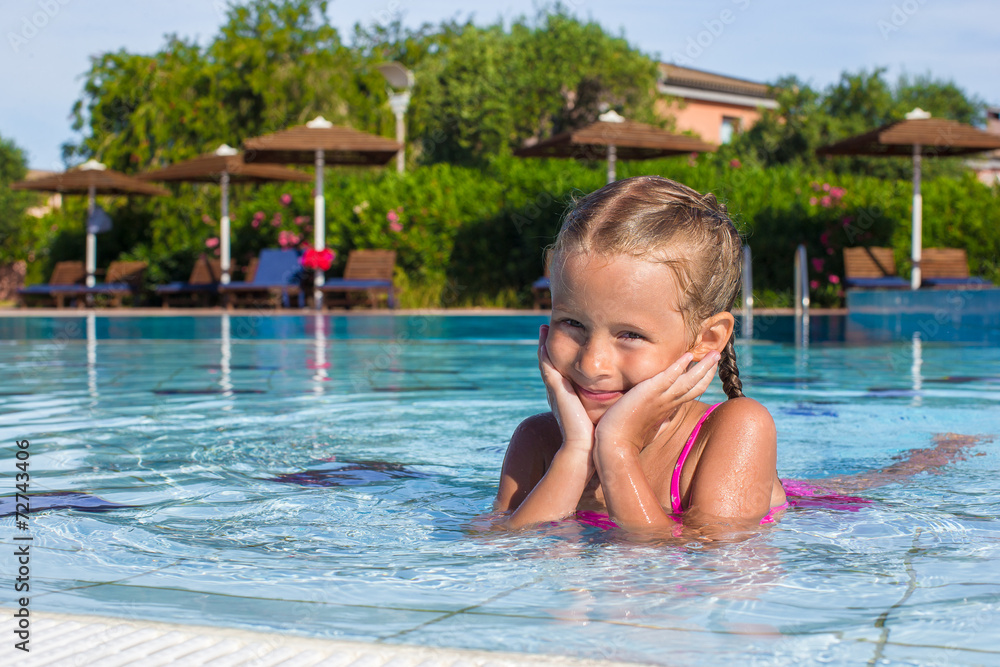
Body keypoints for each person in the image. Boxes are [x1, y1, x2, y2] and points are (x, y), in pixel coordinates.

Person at [495, 175, 782, 535]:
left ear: (707, 338)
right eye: (571, 323)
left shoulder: (737, 429)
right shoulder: (538, 441)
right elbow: (501, 556)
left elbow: (707, 572)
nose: (591, 363)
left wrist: (618, 449)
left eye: (630, 334)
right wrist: (575, 453)